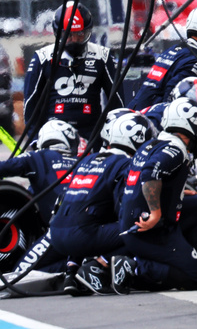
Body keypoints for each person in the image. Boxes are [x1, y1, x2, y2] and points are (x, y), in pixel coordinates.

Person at [49, 111, 155, 295]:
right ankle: (97, 266)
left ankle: (71, 273)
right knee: (140, 227)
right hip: (82, 235)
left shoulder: (87, 159)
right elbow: (124, 207)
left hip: (56, 234)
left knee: (81, 215)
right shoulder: (125, 163)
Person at [115, 98, 197, 292]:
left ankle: (186, 257)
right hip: (150, 228)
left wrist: (175, 192)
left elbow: (139, 180)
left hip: (133, 220)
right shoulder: (175, 148)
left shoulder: (152, 144)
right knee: (196, 278)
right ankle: (134, 268)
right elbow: (150, 173)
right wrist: (156, 213)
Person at [23, 2, 121, 138]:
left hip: (92, 134)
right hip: (53, 134)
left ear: (88, 31)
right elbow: (30, 103)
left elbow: (117, 101)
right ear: (58, 33)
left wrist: (112, 137)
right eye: (68, 35)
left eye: (80, 34)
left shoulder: (102, 56)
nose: (74, 40)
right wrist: (35, 140)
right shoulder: (42, 57)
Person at [129, 4, 197, 110]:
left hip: (135, 111)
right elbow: (173, 98)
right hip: (152, 118)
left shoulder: (173, 50)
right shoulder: (196, 61)